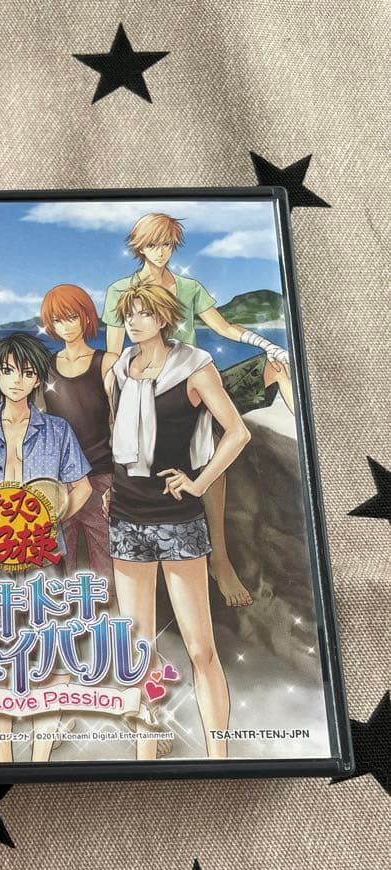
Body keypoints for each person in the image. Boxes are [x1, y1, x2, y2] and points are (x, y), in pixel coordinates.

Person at [102, 212, 290, 607]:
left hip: (194, 381)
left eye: (166, 244)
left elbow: (224, 328)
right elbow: (114, 352)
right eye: (152, 244)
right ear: (139, 248)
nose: (160, 252)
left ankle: (220, 558)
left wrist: (266, 344)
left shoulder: (188, 287)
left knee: (274, 370)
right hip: (144, 387)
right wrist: (114, 393)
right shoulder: (122, 291)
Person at [102, 283, 251, 760]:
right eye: (129, 314)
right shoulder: (119, 369)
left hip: (177, 518)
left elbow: (237, 432)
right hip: (126, 514)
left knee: (201, 649)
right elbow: (117, 439)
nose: (133, 322)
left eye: (144, 314)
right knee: (137, 646)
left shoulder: (194, 366)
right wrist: (111, 488)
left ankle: (219, 757)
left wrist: (200, 483)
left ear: (165, 318)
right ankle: (145, 756)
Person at [0, 333, 92, 764]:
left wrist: (47, 522)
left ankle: (41, 759)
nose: (16, 380)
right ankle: (4, 760)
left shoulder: (58, 430)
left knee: (50, 654)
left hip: (44, 555)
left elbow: (81, 488)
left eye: (27, 372)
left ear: (37, 379)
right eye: (8, 371)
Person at [41, 284, 117, 595]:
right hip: (59, 481)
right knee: (60, 565)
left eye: (72, 317)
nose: (66, 326)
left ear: (86, 317)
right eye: (58, 320)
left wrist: (119, 482)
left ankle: (112, 620)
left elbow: (120, 423)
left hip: (102, 474)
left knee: (107, 566)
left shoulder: (107, 362)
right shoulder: (45, 367)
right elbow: (40, 426)